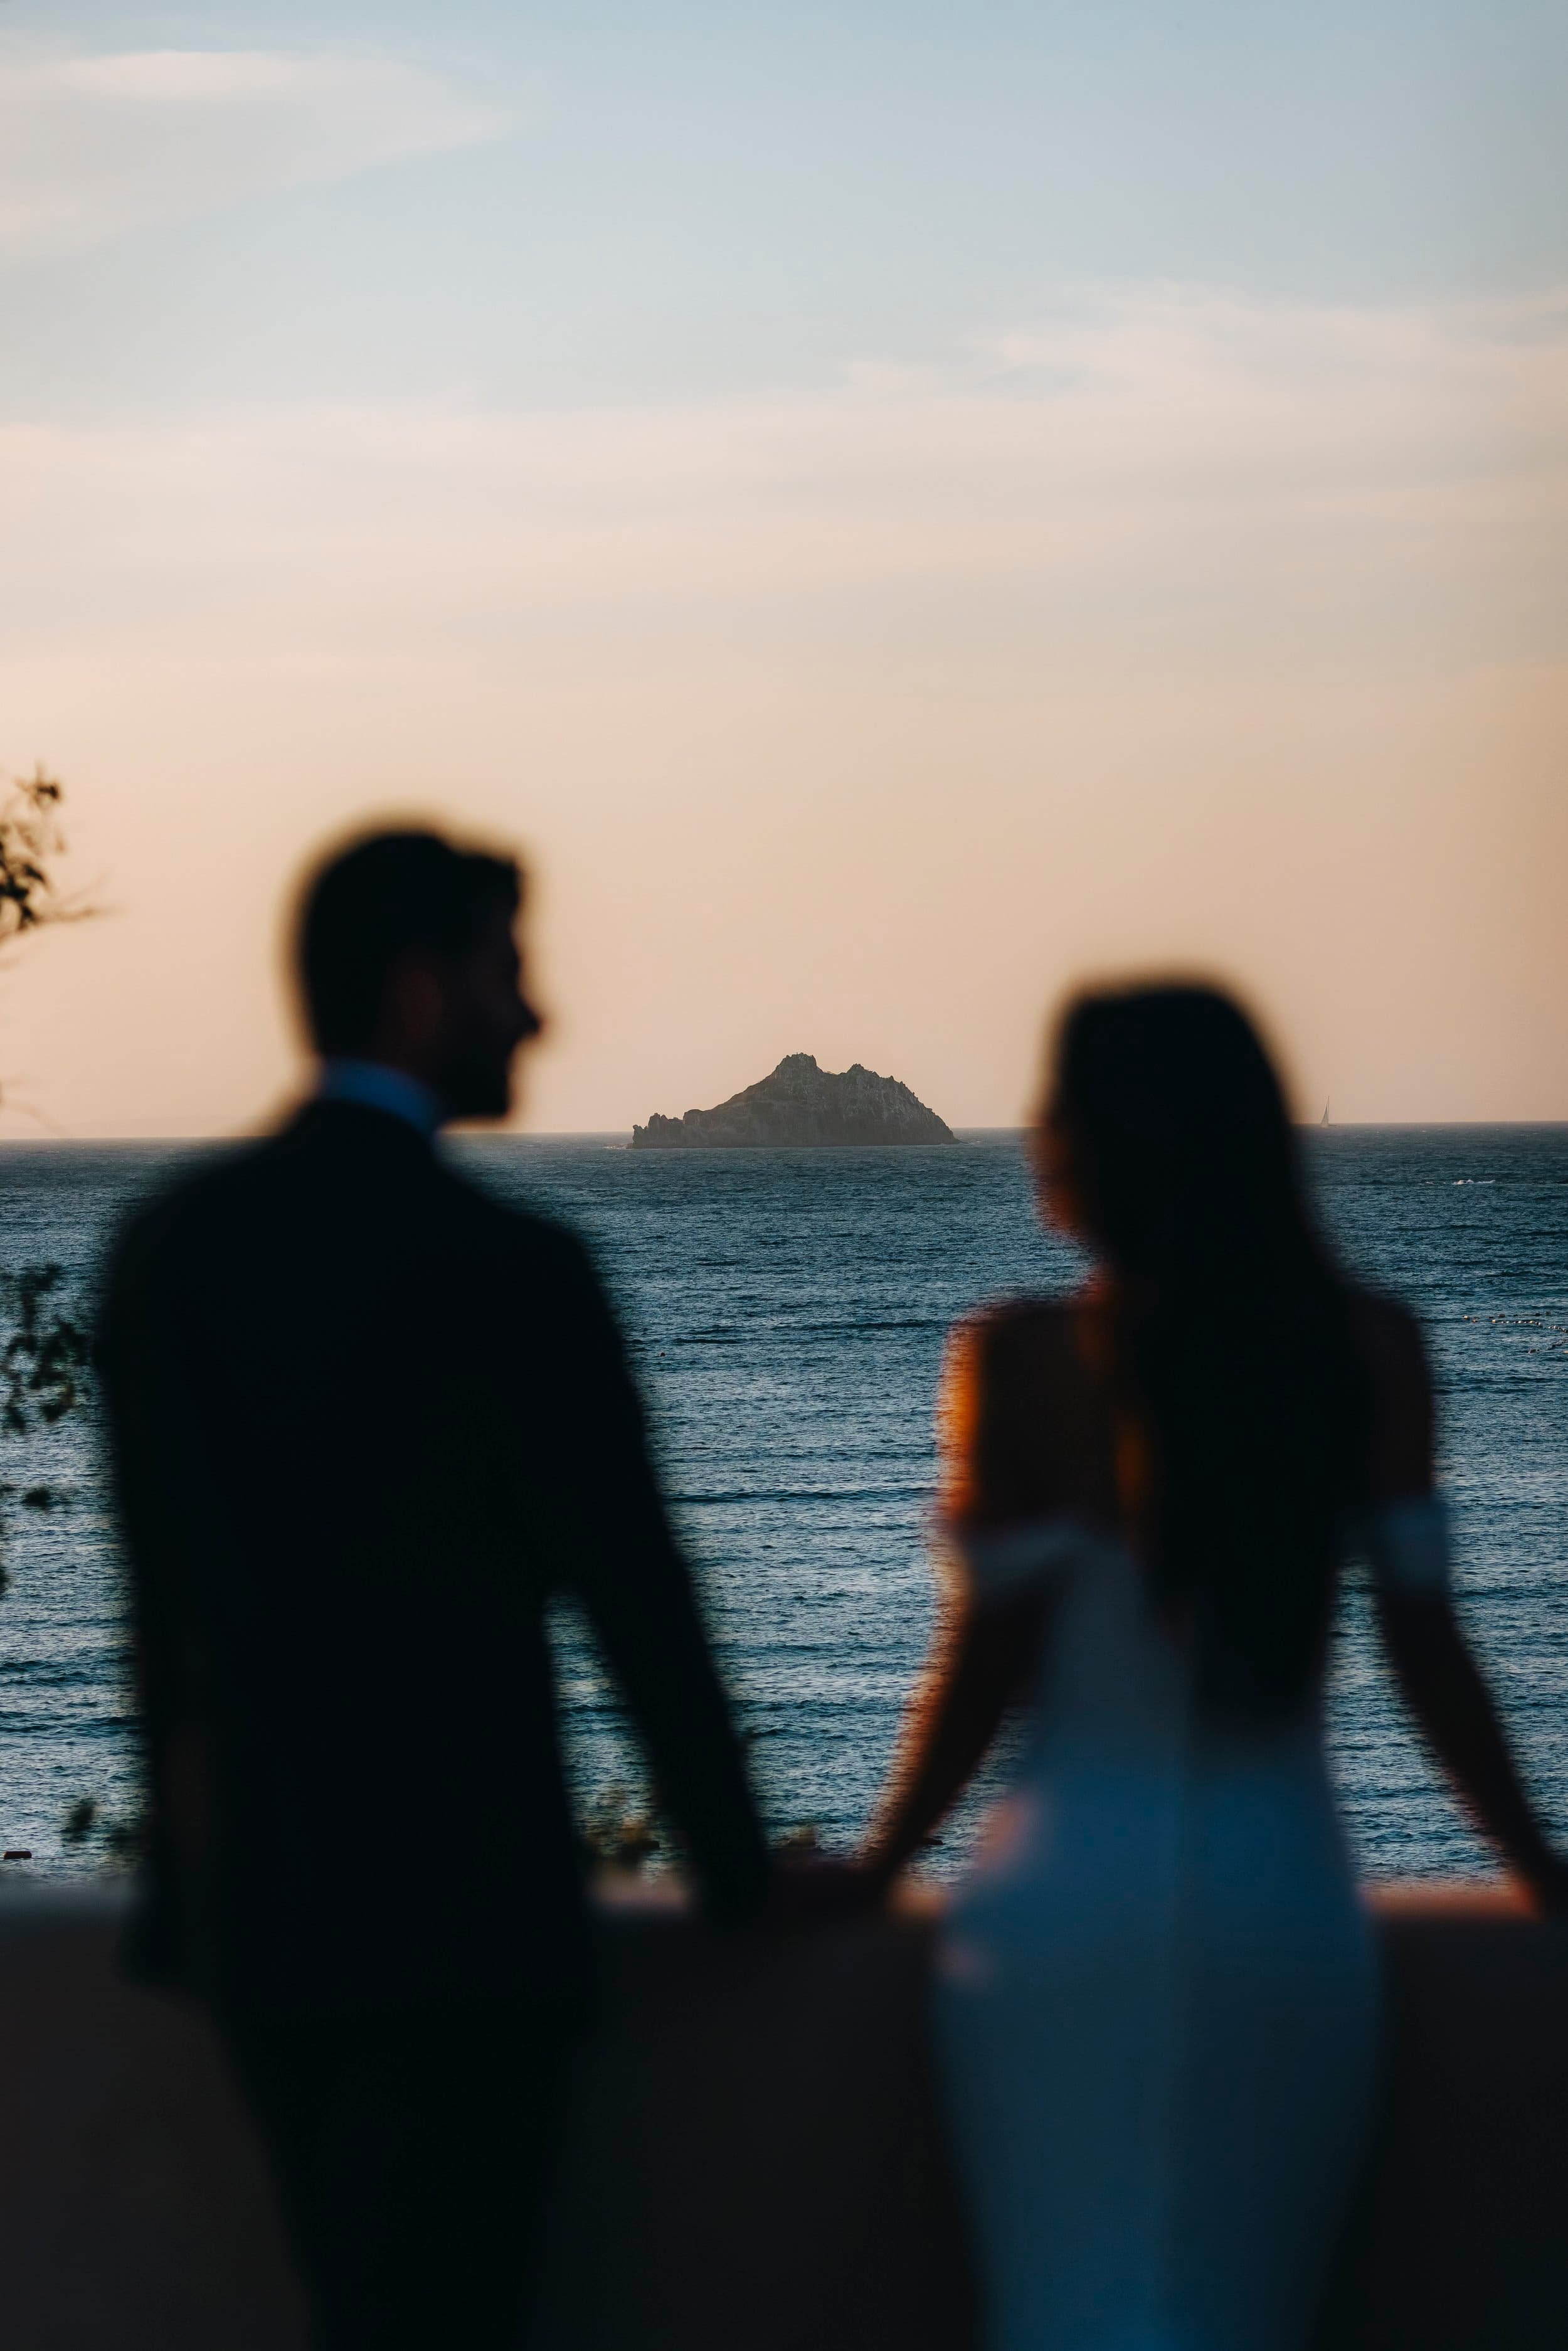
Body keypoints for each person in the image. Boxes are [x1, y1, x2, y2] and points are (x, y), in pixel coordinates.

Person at [98, 827, 770, 2350]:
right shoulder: (514, 1269)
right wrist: (735, 1870)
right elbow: (638, 1603)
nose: (535, 1016)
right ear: (417, 990)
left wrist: (195, 1894)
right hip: (471, 1932)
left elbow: (166, 1614)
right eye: (505, 971)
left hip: (262, 1932)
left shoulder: (170, 1254)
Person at [855, 982, 1567, 2351]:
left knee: (1054, 2299)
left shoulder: (1014, 1358)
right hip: (1277, 1899)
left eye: (1055, 1108)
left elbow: (977, 1671)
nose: (1035, 1135)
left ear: (1099, 1140)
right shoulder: (1363, 1347)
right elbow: (1429, 1656)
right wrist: (1536, 1861)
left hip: (1048, 1915)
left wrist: (879, 1866)